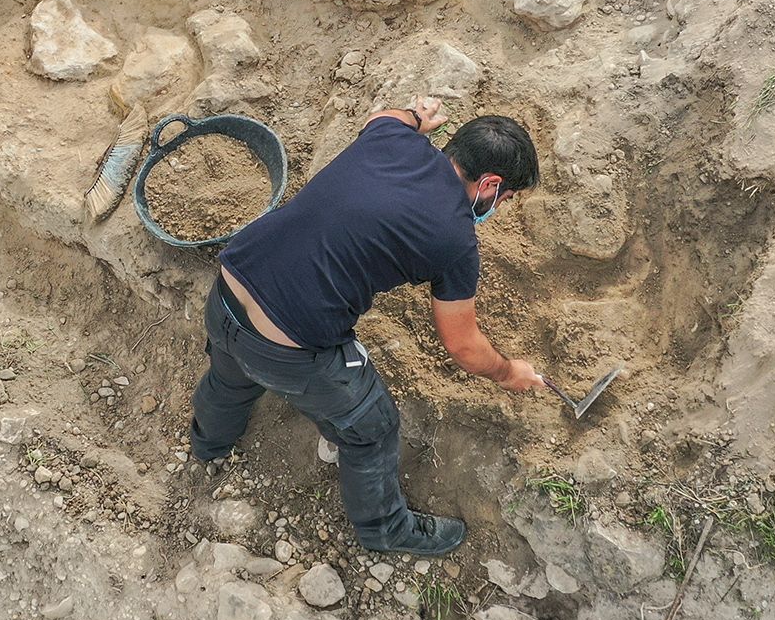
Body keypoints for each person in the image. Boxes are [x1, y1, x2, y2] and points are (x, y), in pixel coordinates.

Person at [188, 103, 546, 556]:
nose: (501, 206)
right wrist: (506, 371)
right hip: (288, 348)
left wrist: (420, 117)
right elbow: (462, 343)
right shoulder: (456, 240)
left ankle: (209, 443)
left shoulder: (391, 139)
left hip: (226, 294)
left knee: (228, 376)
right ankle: (385, 529)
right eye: (506, 198)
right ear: (490, 184)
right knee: (373, 426)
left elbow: (385, 113)